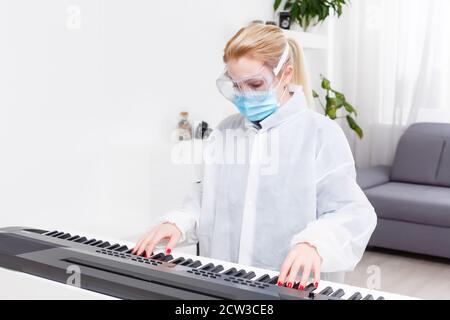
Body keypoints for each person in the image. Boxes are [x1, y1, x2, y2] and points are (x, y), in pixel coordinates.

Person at [132, 24, 377, 289]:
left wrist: (315, 243)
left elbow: (351, 212)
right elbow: (205, 200)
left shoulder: (320, 134)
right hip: (224, 283)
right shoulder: (226, 131)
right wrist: (179, 222)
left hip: (290, 289)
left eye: (255, 84)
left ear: (285, 74)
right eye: (236, 86)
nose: (245, 95)